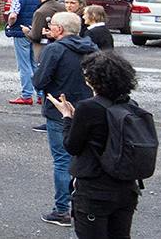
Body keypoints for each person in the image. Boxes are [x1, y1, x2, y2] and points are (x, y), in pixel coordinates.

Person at [50, 48, 147, 239]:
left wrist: (68, 118)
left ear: (94, 80)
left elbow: (72, 146)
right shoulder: (131, 105)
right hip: (126, 187)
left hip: (95, 189)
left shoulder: (89, 107)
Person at [34, 11, 100, 226]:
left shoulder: (54, 50)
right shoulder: (93, 48)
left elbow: (39, 81)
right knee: (87, 157)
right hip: (90, 109)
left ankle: (62, 210)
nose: (50, 28)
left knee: (62, 161)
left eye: (52, 25)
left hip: (60, 110)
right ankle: (86, 205)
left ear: (59, 29)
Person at [7, 0, 41, 105]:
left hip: (21, 32)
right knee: (35, 63)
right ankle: (40, 94)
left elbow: (13, 15)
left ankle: (26, 94)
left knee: (24, 65)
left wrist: (10, 25)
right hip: (36, 32)